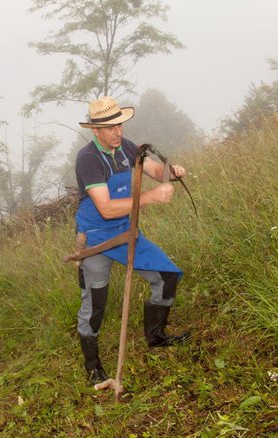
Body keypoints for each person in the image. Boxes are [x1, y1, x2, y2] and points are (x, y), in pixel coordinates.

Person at [74, 96, 190, 385]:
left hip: (127, 232)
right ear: (95, 131)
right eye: (111, 128)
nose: (118, 132)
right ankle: (93, 366)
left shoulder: (125, 147)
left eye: (120, 125)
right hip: (97, 239)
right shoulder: (88, 159)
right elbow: (106, 208)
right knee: (95, 302)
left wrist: (171, 173)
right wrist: (151, 197)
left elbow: (153, 170)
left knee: (166, 275)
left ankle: (157, 337)